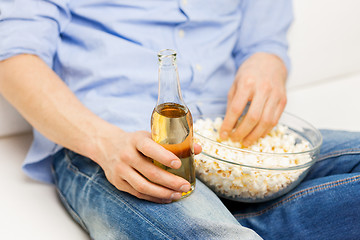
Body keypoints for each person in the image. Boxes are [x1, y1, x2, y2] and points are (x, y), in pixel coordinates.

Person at [0, 0, 359, 239]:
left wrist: (267, 62)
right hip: (117, 141)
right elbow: (15, 56)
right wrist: (103, 144)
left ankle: (218, 222)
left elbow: (265, 39)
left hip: (230, 134)